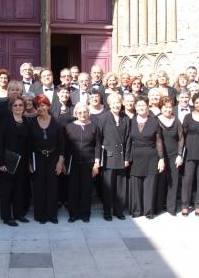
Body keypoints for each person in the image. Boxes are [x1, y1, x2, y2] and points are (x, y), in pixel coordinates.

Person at [29, 94, 65, 224]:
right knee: (39, 187)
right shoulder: (32, 123)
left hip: (53, 158)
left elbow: (62, 144)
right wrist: (30, 162)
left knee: (52, 186)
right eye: (38, 106)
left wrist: (60, 162)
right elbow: (29, 144)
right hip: (37, 158)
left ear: (48, 106)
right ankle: (40, 215)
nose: (40, 108)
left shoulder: (56, 122)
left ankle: (52, 215)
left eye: (43, 105)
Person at [129, 95, 165, 219]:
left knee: (149, 185)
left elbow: (159, 140)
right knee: (136, 184)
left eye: (143, 105)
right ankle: (137, 210)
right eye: (138, 105)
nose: (141, 108)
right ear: (135, 107)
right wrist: (127, 158)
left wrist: (161, 158)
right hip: (135, 156)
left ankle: (148, 211)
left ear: (148, 107)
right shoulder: (131, 121)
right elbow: (127, 141)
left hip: (151, 156)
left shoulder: (154, 121)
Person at [0, 96, 30, 226]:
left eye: (20, 105)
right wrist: (0, 162)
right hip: (8, 159)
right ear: (11, 107)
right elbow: (0, 142)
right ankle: (6, 216)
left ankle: (18, 214)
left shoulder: (26, 121)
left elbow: (28, 142)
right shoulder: (6, 121)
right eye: (15, 105)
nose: (18, 107)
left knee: (19, 188)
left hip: (22, 160)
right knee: (7, 190)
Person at [98, 92, 131, 220]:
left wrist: (127, 158)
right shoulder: (104, 118)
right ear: (109, 104)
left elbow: (128, 139)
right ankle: (107, 212)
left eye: (118, 102)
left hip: (122, 157)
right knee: (108, 187)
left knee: (121, 187)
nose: (116, 105)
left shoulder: (126, 118)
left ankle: (119, 211)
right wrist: (99, 158)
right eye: (113, 103)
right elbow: (99, 139)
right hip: (108, 157)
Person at [65, 103, 100, 222]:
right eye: (80, 112)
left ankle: (85, 214)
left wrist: (97, 163)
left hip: (89, 162)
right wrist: (63, 161)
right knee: (73, 188)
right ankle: (73, 214)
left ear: (88, 113)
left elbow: (98, 146)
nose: (82, 115)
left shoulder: (94, 127)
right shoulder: (69, 127)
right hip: (72, 161)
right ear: (76, 114)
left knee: (86, 188)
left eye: (85, 112)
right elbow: (65, 146)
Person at [158, 97, 184, 216]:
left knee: (173, 181)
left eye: (170, 107)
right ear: (161, 108)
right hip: (160, 156)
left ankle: (171, 208)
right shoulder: (156, 120)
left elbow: (181, 138)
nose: (168, 109)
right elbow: (157, 140)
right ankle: (159, 205)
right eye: (165, 107)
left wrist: (180, 155)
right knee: (160, 181)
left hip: (174, 155)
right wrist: (160, 158)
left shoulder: (176, 120)